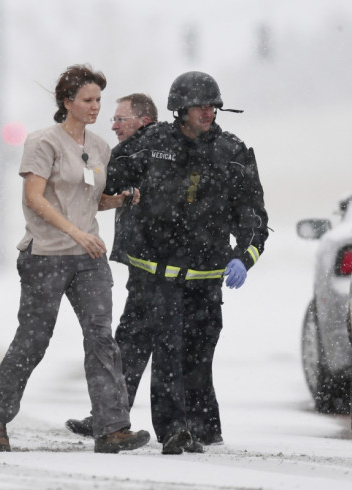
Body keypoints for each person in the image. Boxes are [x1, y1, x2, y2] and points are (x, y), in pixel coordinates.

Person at [0, 64, 149, 454]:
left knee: (102, 338)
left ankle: (111, 428)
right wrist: (75, 232)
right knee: (34, 339)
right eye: (87, 100)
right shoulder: (43, 142)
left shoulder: (101, 147)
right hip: (47, 255)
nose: (95, 107)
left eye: (99, 100)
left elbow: (89, 199)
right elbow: (34, 198)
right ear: (67, 102)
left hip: (89, 259)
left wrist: (118, 201)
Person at [113, 71, 269, 455]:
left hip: (207, 281)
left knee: (199, 354)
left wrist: (244, 257)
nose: (209, 112)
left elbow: (254, 219)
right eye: (201, 106)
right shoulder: (149, 145)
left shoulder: (232, 153)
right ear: (180, 109)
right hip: (155, 278)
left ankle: (203, 427)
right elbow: (107, 178)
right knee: (167, 352)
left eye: (213, 106)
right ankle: (173, 430)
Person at [65, 93, 158, 438]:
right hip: (154, 266)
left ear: (144, 122)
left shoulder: (136, 152)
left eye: (121, 119)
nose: (115, 125)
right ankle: (201, 426)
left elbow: (96, 184)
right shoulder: (163, 150)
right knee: (165, 345)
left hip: (152, 267)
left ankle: (109, 417)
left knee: (131, 342)